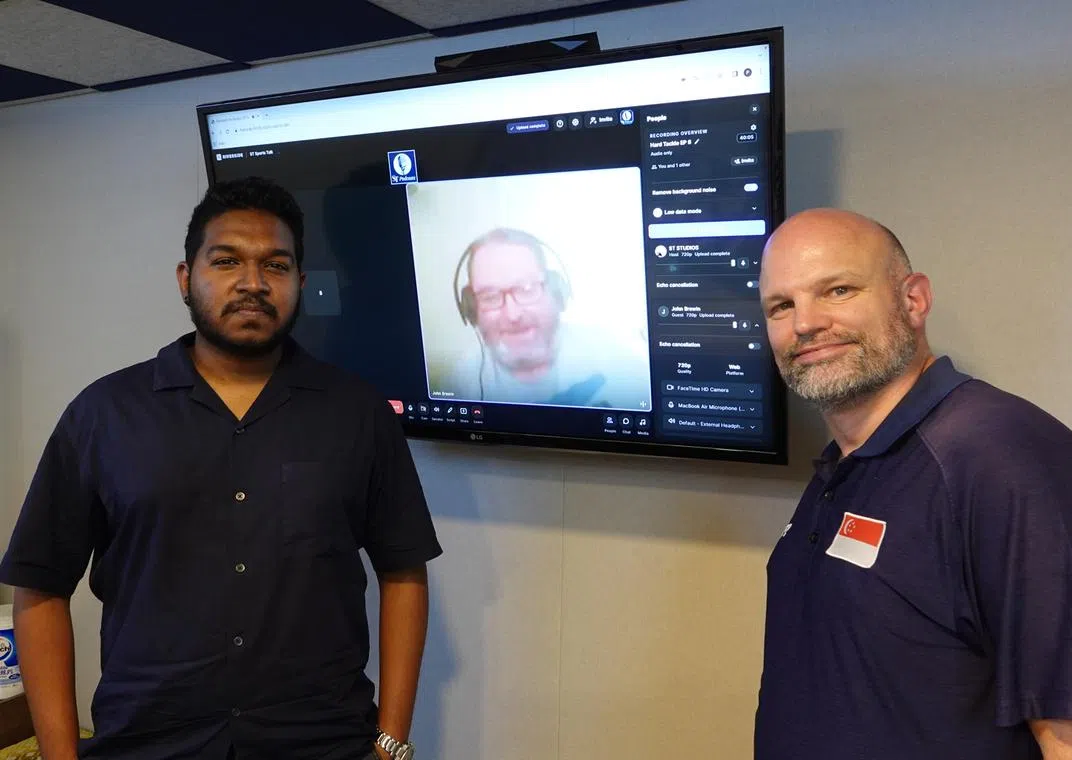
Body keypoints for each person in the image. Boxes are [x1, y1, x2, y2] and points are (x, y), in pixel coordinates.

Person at [0, 176, 442, 760]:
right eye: (227, 260)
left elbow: (404, 573)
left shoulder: (358, 411)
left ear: (300, 284)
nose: (253, 283)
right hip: (148, 743)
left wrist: (391, 743)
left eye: (276, 266)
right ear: (187, 278)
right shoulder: (104, 413)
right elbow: (40, 586)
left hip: (320, 742)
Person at [754, 208, 1072, 759]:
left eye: (838, 290)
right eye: (781, 305)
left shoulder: (1008, 459)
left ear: (913, 300)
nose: (806, 323)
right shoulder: (845, 466)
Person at [446, 227, 651, 410]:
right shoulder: (464, 377)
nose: (512, 314)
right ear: (471, 309)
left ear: (556, 291)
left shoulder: (614, 355)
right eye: (489, 296)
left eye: (527, 289)